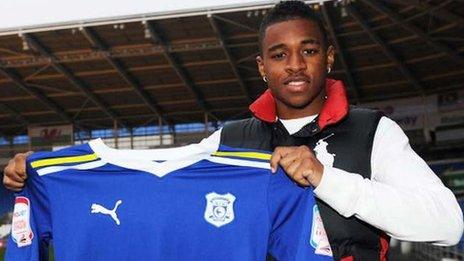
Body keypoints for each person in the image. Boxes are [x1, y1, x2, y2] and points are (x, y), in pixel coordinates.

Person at [3, 1, 463, 260]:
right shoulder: (229, 141)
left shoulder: (373, 131)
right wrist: (45, 168)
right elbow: (159, 171)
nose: (296, 65)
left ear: (329, 57)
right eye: (280, 55)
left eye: (308, 50)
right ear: (263, 67)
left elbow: (447, 224)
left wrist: (327, 179)